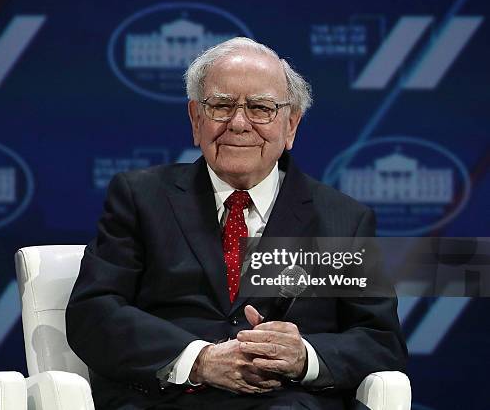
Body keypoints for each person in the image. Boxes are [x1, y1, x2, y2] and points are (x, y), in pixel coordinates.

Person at [66, 37, 407, 409]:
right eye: (221, 106)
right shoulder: (140, 197)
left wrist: (303, 356)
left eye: (261, 108)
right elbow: (94, 313)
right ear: (196, 119)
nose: (239, 124)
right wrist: (200, 360)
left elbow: (379, 341)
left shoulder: (342, 220)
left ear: (291, 125)